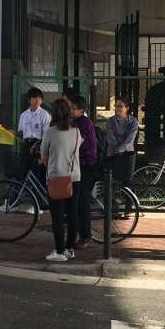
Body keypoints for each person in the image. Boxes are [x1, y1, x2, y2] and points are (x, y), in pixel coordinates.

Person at [40, 99, 83, 262]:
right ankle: (70, 249)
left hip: (56, 177)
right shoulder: (76, 131)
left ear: (53, 113)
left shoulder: (50, 132)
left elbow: (44, 156)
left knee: (57, 217)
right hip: (75, 177)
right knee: (73, 214)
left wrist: (52, 164)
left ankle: (59, 251)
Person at [70, 95, 98, 248]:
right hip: (79, 165)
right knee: (78, 200)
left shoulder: (83, 124)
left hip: (86, 166)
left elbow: (76, 143)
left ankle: (86, 236)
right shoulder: (76, 122)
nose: (71, 110)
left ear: (81, 110)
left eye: (73, 108)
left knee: (82, 201)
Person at [106, 96, 139, 190]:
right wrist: (117, 150)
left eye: (120, 106)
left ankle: (128, 198)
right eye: (116, 106)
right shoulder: (110, 121)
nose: (117, 108)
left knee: (128, 180)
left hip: (128, 154)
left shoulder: (134, 122)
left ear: (127, 108)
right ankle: (112, 198)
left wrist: (120, 149)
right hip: (112, 153)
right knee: (112, 179)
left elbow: (130, 139)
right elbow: (111, 139)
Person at [18, 87, 51, 180]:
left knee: (37, 173)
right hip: (26, 145)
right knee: (25, 171)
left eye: (39, 98)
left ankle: (37, 189)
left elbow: (46, 136)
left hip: (38, 146)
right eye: (34, 98)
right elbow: (21, 132)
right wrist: (12, 133)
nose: (37, 100)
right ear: (29, 100)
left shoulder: (45, 115)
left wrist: (42, 153)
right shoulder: (23, 115)